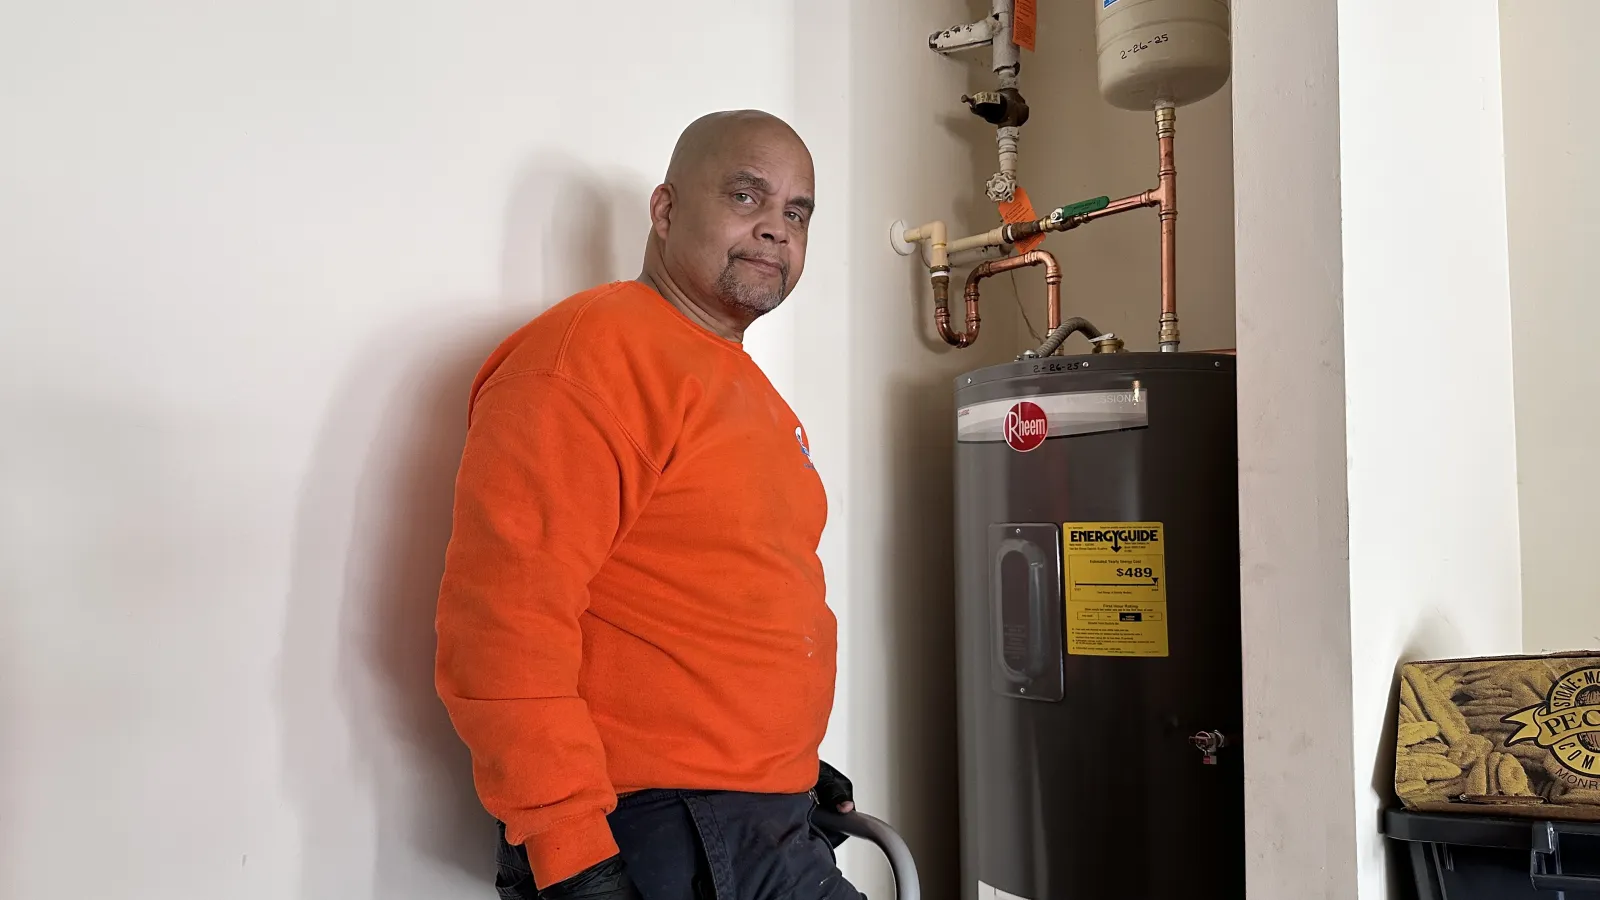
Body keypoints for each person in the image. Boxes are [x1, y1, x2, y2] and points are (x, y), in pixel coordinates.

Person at [434, 109, 863, 900]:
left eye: (796, 213)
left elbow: (713, 598)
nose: (776, 230)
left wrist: (781, 754)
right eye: (747, 196)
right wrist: (576, 862)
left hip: (757, 819)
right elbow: (503, 623)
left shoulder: (746, 389)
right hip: (663, 836)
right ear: (665, 210)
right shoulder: (588, 359)